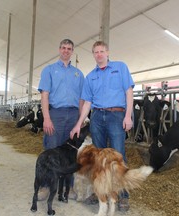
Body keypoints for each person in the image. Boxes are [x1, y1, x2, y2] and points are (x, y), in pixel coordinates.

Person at [70, 40, 134, 211]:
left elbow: (129, 92)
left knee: (118, 156)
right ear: (93, 55)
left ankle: (123, 196)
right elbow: (88, 102)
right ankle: (100, 192)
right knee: (97, 158)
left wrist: (128, 115)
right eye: (95, 52)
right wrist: (78, 124)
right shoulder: (90, 76)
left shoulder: (120, 67)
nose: (99, 54)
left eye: (101, 51)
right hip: (97, 116)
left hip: (116, 115)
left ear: (107, 52)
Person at [37, 39, 85, 200]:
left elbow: (81, 99)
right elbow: (45, 95)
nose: (66, 50)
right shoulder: (49, 70)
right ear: (59, 49)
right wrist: (46, 118)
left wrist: (80, 120)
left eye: (69, 48)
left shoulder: (78, 74)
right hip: (55, 114)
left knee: (71, 153)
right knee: (51, 150)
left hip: (73, 115)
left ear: (72, 51)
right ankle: (45, 187)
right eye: (63, 48)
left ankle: (68, 188)